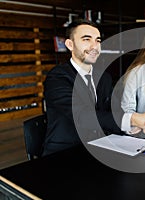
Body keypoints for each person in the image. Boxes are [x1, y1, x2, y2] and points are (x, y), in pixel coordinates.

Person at [42, 19, 122, 156]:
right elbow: (82, 116)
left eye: (97, 40)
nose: (94, 46)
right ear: (70, 44)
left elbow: (112, 112)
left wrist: (134, 126)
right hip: (64, 154)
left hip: (98, 148)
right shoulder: (57, 78)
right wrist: (131, 120)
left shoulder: (104, 78)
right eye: (86, 39)